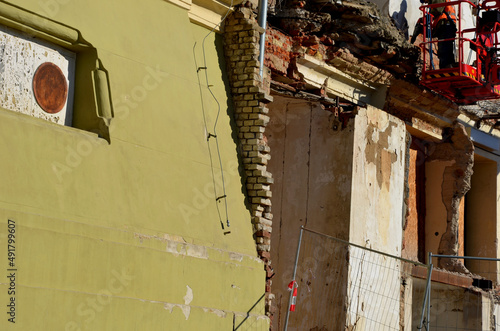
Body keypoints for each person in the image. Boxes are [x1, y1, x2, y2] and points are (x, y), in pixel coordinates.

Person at [411, 0, 457, 68]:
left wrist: (427, 16)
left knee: (444, 49)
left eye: (425, 1)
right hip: (446, 25)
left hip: (446, 25)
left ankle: (446, 68)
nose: (426, 3)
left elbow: (437, 10)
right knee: (446, 49)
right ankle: (448, 67)